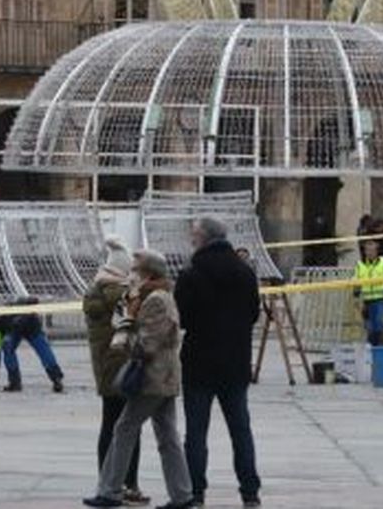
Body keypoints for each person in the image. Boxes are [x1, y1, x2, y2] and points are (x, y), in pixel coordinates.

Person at [85, 250, 195, 509]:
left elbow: (148, 343)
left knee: (124, 428)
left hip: (153, 378)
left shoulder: (156, 299)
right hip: (163, 378)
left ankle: (110, 491)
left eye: (135, 269)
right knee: (167, 436)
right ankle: (182, 495)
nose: (131, 274)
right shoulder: (151, 296)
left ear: (148, 273)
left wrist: (126, 336)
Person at [175, 217, 262, 509]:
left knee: (196, 434)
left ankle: (195, 493)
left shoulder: (191, 273)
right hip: (236, 362)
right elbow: (253, 314)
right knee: (241, 430)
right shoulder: (245, 272)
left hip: (199, 363)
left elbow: (182, 318)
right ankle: (250, 492)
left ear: (203, 238)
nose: (191, 239)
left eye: (194, 234)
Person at [83, 238, 148, 505]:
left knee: (112, 425)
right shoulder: (117, 293)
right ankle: (125, 483)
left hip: (108, 367)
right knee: (127, 427)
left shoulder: (97, 290)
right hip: (121, 365)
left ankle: (109, 482)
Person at [0, 297, 65, 393]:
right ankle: (56, 378)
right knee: (43, 350)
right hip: (27, 321)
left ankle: (15, 383)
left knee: (9, 349)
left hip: (21, 323)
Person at [354, 238, 383, 347]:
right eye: (367, 250)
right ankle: (372, 350)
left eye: (372, 250)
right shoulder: (360, 265)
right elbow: (356, 282)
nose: (369, 253)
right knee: (370, 328)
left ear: (376, 251)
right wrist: (356, 297)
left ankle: (380, 348)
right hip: (367, 301)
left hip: (380, 299)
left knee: (380, 326)